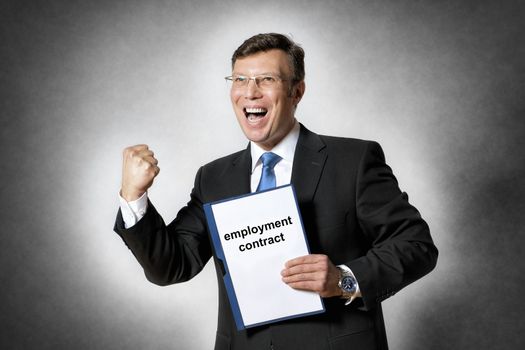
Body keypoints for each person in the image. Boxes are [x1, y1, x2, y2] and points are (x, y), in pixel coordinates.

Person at [114, 33, 438, 350]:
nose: (250, 93)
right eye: (240, 79)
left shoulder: (353, 161)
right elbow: (171, 266)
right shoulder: (213, 178)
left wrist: (343, 279)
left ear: (297, 92)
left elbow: (416, 246)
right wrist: (134, 197)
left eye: (266, 79)